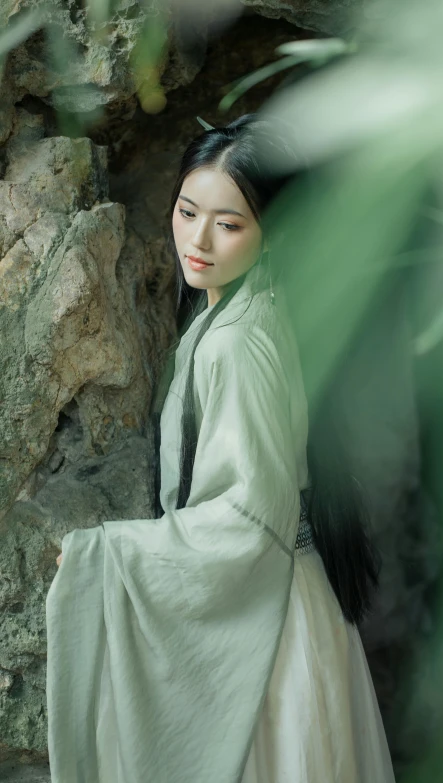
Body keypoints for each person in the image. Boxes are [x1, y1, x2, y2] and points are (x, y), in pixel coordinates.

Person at [47, 114, 395, 782]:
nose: (198, 239)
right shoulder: (257, 310)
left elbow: (247, 518)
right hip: (296, 601)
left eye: (229, 224)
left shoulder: (235, 342)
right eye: (186, 210)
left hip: (271, 631)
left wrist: (107, 551)